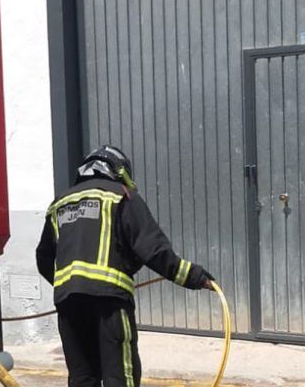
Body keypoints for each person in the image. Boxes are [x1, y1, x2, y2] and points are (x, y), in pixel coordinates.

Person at [36, 145, 215, 387]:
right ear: (119, 171)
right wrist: (195, 277)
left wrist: (70, 284)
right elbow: (153, 249)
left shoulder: (60, 203)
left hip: (69, 304)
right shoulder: (121, 195)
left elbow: (44, 258)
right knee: (120, 376)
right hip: (109, 303)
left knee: (82, 377)